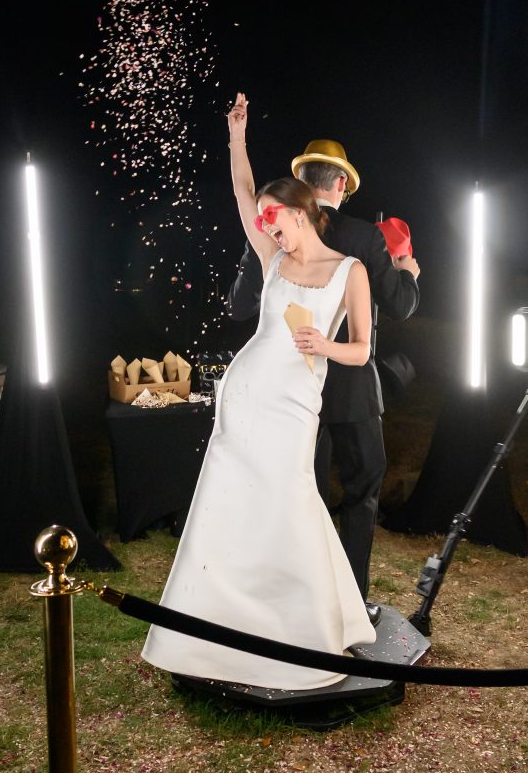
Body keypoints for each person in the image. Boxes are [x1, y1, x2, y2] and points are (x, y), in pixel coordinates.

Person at [142, 93, 376, 690]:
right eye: (266, 220)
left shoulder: (351, 270)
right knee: (232, 500)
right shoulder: (273, 260)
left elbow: (362, 349)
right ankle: (216, 623)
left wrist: (326, 348)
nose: (267, 225)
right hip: (245, 394)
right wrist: (236, 137)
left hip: (298, 401)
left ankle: (305, 625)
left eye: (277, 217)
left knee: (292, 496)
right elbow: (243, 192)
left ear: (303, 213)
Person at [227, 137, 420, 622]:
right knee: (362, 488)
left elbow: (238, 305)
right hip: (351, 391)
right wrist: (408, 273)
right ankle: (349, 600)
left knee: (301, 493)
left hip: (288, 391)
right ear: (339, 184)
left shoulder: (275, 232)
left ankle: (299, 598)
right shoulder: (365, 239)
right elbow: (398, 307)